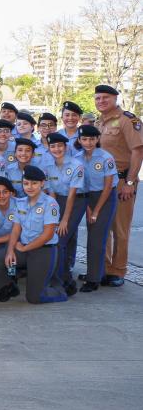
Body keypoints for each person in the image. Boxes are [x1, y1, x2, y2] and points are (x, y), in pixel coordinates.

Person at [0, 166, 68, 304]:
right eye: (26, 183)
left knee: (34, 298)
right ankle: (7, 287)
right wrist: (10, 250)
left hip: (43, 250)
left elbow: (48, 235)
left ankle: (60, 289)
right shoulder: (20, 203)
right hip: (23, 248)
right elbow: (16, 229)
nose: (29, 187)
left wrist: (24, 249)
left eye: (34, 183)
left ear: (42, 183)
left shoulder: (50, 204)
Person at [93, 84, 143, 287]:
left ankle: (118, 270)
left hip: (122, 181)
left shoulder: (128, 120)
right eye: (98, 98)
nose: (101, 101)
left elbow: (138, 151)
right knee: (101, 226)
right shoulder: (99, 122)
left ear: (115, 98)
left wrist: (130, 182)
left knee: (119, 228)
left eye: (105, 97)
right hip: (100, 183)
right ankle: (103, 268)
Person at [76, 125, 118, 292]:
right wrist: (88, 207)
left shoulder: (105, 157)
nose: (88, 142)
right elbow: (81, 185)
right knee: (93, 236)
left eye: (92, 139)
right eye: (84, 139)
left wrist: (96, 210)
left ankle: (93, 280)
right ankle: (96, 273)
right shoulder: (78, 158)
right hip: (89, 197)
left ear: (97, 139)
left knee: (96, 238)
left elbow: (108, 187)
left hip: (105, 198)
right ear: (79, 140)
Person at [43, 132, 85, 295]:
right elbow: (52, 194)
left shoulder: (76, 165)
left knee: (60, 239)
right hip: (58, 200)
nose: (56, 149)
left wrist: (65, 220)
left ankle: (62, 280)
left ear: (65, 147)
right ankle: (65, 279)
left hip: (76, 202)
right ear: (49, 148)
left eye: (60, 146)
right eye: (53, 146)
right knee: (57, 238)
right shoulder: (48, 167)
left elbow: (72, 195)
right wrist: (55, 217)